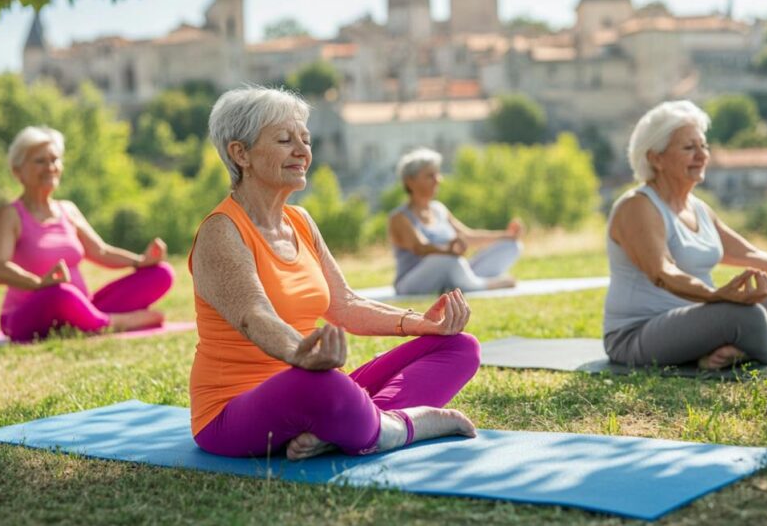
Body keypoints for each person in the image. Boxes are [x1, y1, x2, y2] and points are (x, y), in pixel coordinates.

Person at [189, 87, 480, 460]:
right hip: (233, 412)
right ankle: (405, 426)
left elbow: (344, 305)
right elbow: (253, 316)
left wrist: (423, 324)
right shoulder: (221, 231)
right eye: (284, 140)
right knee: (323, 386)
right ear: (240, 153)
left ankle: (345, 428)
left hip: (313, 382)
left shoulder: (300, 221)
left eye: (305, 140)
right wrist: (301, 355)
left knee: (459, 347)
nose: (302, 151)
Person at [604, 100, 767, 369]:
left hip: (704, 320)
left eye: (703, 146)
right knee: (743, 316)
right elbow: (662, 272)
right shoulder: (637, 206)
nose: (702, 155)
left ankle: (742, 347)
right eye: (689, 148)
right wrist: (716, 296)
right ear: (655, 158)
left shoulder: (698, 208)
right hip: (638, 334)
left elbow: (747, 253)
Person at [0, 126, 174, 343]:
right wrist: (39, 284)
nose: (50, 167)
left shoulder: (67, 210)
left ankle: (88, 319)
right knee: (61, 293)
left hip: (79, 306)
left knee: (161, 273)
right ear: (17, 170)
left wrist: (141, 261)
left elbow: (101, 251)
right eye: (40, 161)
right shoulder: (9, 215)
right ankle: (118, 322)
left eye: (55, 160)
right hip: (25, 317)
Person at [388, 148, 523, 296]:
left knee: (511, 246)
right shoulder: (399, 217)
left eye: (437, 174)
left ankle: (461, 283)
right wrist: (449, 251)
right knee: (449, 260)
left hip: (453, 269)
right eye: (430, 176)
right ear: (410, 181)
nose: (438, 179)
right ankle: (484, 285)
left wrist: (507, 235)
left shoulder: (439, 210)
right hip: (412, 283)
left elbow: (468, 236)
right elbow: (420, 247)